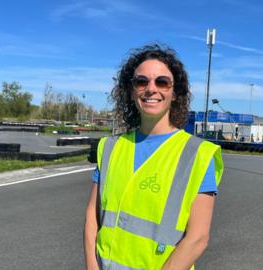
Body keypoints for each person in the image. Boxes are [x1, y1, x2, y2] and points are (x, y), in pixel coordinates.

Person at [84, 44, 224, 270]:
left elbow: (197, 238)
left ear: (175, 92)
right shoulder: (109, 147)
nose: (151, 89)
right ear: (131, 91)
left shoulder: (197, 154)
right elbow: (93, 215)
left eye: (162, 82)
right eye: (141, 81)